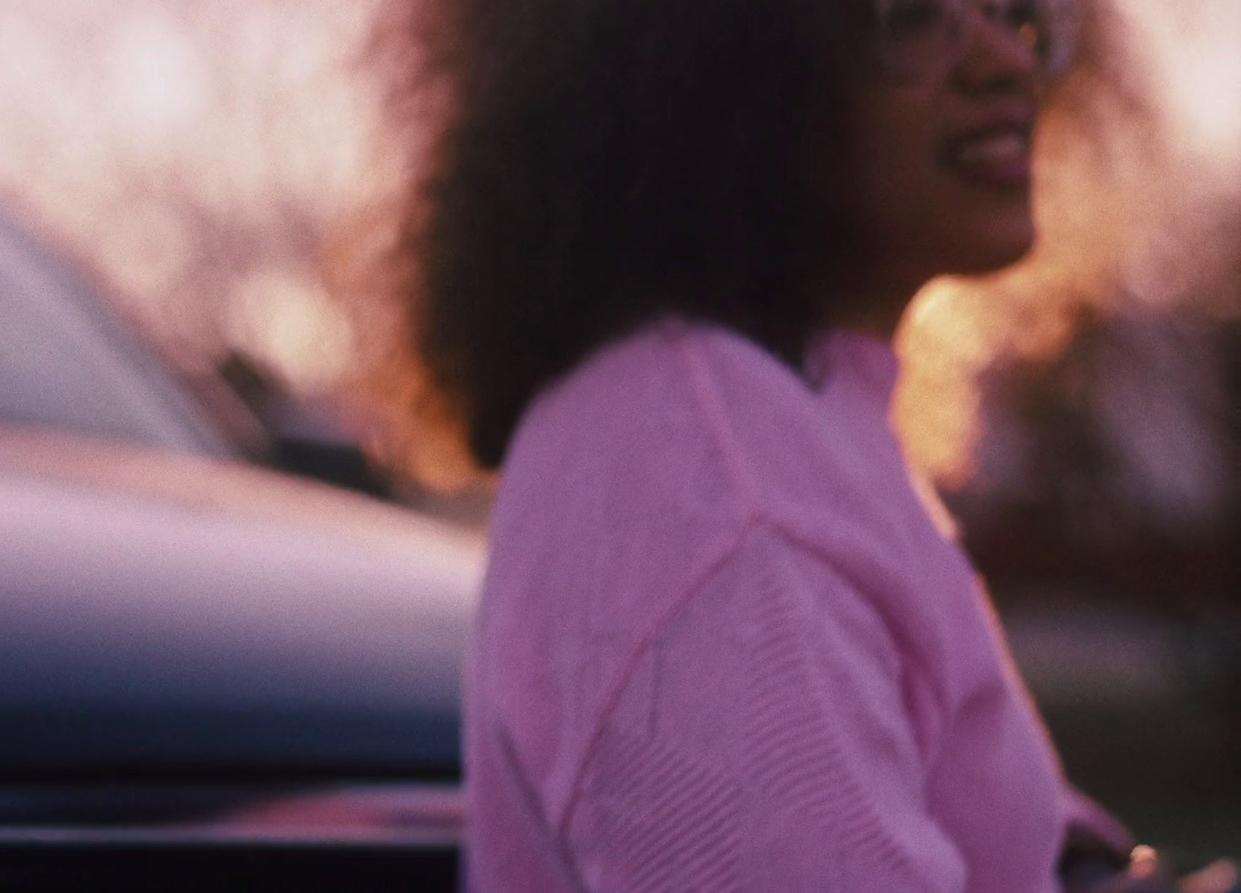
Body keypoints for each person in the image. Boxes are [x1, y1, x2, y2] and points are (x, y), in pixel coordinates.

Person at [380, 0, 1203, 889]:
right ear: (720, 59)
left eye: (1013, 8)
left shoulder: (777, 413)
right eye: (915, 14)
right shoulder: (715, 498)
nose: (1007, 58)